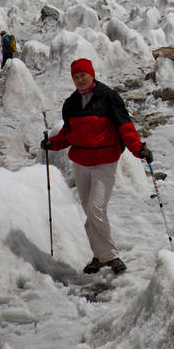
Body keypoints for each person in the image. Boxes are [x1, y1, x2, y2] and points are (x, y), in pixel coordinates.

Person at [41, 58, 150, 274]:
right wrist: (51, 144)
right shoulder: (71, 103)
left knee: (96, 209)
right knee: (90, 212)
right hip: (80, 163)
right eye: (76, 76)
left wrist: (138, 149)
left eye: (83, 75)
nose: (80, 79)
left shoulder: (109, 97)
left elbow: (125, 127)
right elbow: (68, 135)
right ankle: (99, 256)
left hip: (104, 162)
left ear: (92, 74)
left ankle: (111, 256)